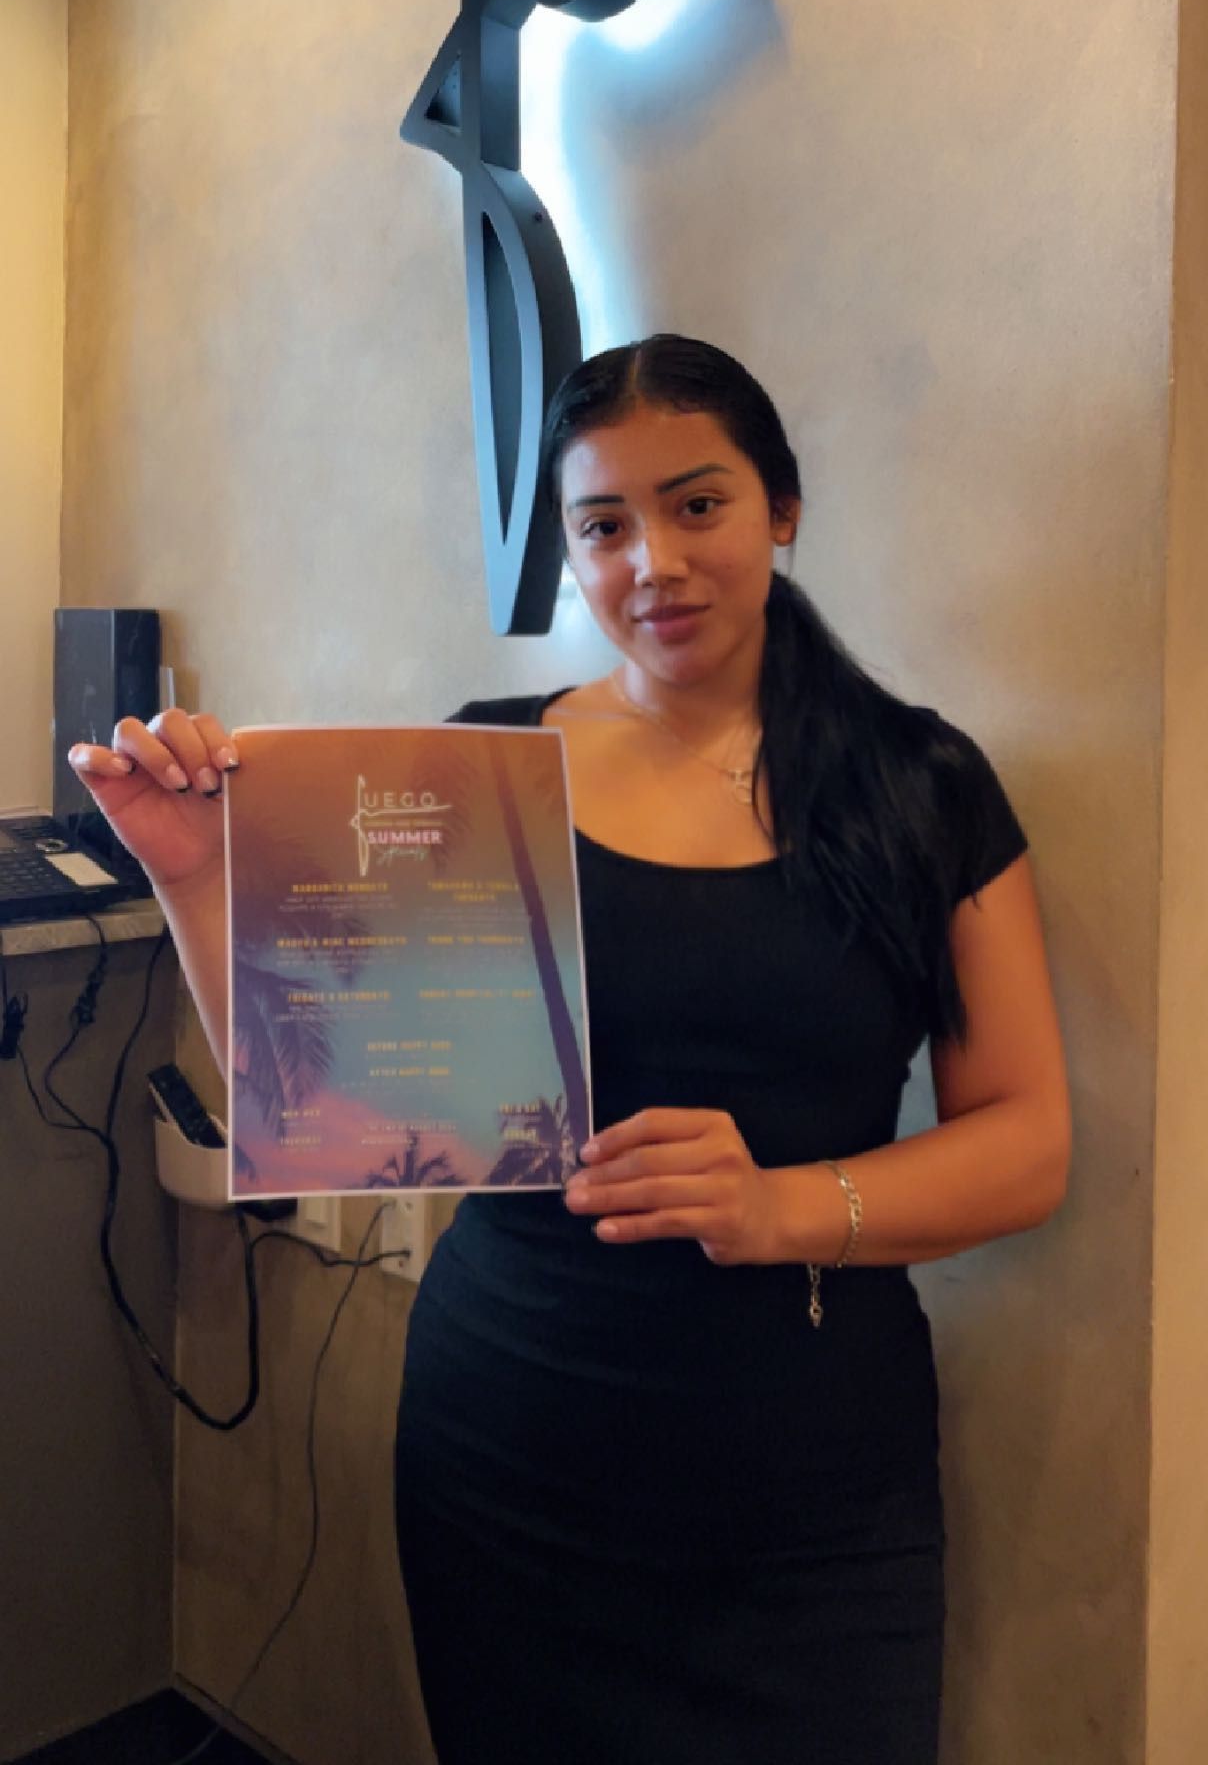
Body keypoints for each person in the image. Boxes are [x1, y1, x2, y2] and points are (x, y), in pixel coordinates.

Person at [68, 334, 1070, 1765]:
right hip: (513, 1445)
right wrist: (192, 878)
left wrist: (784, 1207)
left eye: (697, 504)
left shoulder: (922, 784)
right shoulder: (485, 769)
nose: (650, 561)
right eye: (603, 525)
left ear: (780, 508)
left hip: (810, 1484)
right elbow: (337, 1099)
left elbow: (1027, 1139)